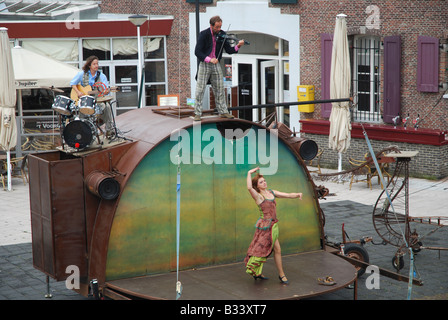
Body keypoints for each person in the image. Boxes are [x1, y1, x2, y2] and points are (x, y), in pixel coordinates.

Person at [244, 167, 303, 284]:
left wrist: (297, 194)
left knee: (270, 250)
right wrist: (249, 173)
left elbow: (287, 195)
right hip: (266, 228)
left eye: (264, 180)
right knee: (272, 249)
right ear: (257, 186)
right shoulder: (259, 196)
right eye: (261, 182)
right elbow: (249, 187)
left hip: (273, 226)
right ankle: (281, 275)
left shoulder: (271, 192)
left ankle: (258, 272)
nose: (264, 182)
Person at [193, 16, 245, 121]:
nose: (218, 29)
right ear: (211, 25)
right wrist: (209, 59)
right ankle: (197, 113)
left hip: (216, 64)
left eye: (220, 26)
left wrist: (238, 46)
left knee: (220, 88)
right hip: (205, 64)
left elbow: (230, 50)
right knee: (200, 89)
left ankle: (223, 111)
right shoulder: (204, 34)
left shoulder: (222, 34)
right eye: (217, 27)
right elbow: (197, 52)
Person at [70, 56, 114, 137]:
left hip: (98, 101)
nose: (96, 65)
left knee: (107, 107)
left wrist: (106, 91)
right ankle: (84, 135)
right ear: (89, 65)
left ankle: (109, 130)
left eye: (97, 64)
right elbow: (72, 83)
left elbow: (105, 90)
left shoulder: (102, 76)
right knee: (82, 115)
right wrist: (78, 92)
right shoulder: (82, 74)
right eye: (94, 64)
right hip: (85, 101)